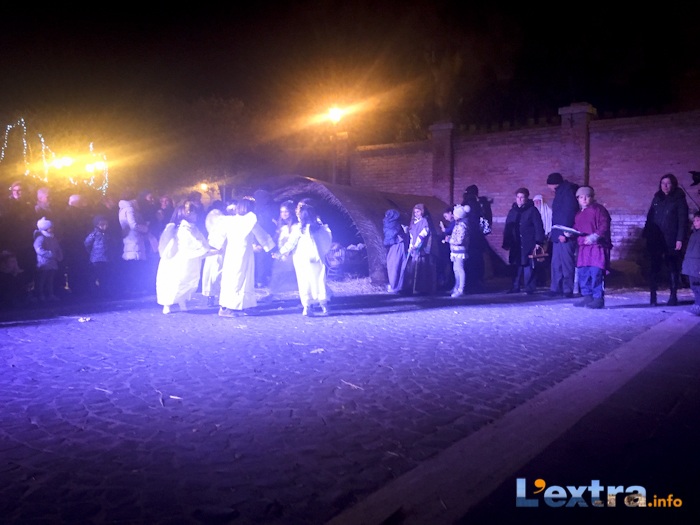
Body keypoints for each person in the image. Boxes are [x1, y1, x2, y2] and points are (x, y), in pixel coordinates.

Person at [210, 197, 275, 318]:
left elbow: (218, 236)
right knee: (235, 279)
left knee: (244, 279)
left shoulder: (236, 221)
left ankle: (245, 304)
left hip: (241, 253)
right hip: (239, 253)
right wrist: (270, 247)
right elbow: (261, 235)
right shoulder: (247, 220)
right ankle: (225, 307)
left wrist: (216, 245)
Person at [156, 202, 213, 314]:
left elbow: (200, 241)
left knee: (185, 280)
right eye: (193, 213)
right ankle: (167, 304)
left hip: (186, 258)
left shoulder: (192, 228)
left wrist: (208, 249)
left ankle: (182, 301)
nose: (196, 215)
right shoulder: (183, 229)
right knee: (175, 280)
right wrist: (208, 250)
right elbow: (193, 243)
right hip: (177, 258)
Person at [277, 202, 332, 316]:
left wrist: (280, 252)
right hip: (317, 258)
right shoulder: (319, 227)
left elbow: (290, 243)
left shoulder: (299, 228)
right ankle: (324, 306)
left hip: (302, 259)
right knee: (319, 280)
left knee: (304, 282)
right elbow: (327, 240)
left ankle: (307, 306)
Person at [643, 173, 690, 306]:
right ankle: (653, 297)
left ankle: (673, 295)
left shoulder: (679, 199)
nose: (665, 186)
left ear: (673, 184)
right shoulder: (657, 198)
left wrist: (680, 238)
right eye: (663, 183)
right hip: (656, 238)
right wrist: (646, 233)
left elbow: (683, 220)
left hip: (671, 238)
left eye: (668, 183)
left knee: (672, 266)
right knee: (654, 267)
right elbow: (650, 217)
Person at [570, 186, 612, 309]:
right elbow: (577, 228)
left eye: (587, 197)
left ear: (592, 197)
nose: (584, 199)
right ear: (578, 199)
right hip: (584, 247)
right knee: (583, 272)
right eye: (581, 197)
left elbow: (604, 225)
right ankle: (587, 296)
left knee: (596, 272)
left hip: (596, 247)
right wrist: (569, 233)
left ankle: (598, 298)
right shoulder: (579, 214)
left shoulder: (599, 210)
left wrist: (594, 236)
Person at [502, 188, 545, 295]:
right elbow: (508, 228)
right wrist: (506, 242)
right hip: (515, 243)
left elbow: (538, 226)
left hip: (528, 243)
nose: (520, 199)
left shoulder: (532, 211)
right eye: (518, 197)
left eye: (522, 197)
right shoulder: (513, 211)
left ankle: (529, 287)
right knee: (515, 265)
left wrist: (538, 241)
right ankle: (515, 286)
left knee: (528, 265)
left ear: (526, 198)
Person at [546, 172, 579, 297]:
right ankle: (555, 288)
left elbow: (568, 214)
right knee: (556, 263)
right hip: (557, 234)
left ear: (553, 184)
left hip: (564, 235)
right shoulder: (561, 192)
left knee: (566, 263)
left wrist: (563, 233)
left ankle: (567, 289)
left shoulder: (567, 193)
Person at [401, 203, 436, 295]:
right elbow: (412, 236)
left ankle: (421, 287)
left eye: (418, 211)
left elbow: (423, 234)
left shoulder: (424, 222)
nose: (416, 214)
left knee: (421, 267)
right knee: (412, 267)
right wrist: (410, 246)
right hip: (414, 248)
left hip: (421, 249)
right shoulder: (413, 223)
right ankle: (411, 286)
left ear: (422, 212)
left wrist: (416, 245)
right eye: (415, 212)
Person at [461, 185, 490, 291]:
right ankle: (478, 282)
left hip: (468, 238)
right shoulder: (480, 205)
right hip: (478, 238)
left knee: (469, 261)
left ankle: (469, 283)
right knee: (478, 260)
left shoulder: (466, 204)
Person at [268, 200, 299, 296]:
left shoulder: (296, 226)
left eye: (286, 211)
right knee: (277, 272)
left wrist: (287, 251)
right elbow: (276, 238)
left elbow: (293, 241)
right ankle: (273, 293)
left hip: (291, 253)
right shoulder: (281, 224)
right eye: (282, 212)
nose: (283, 214)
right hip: (281, 252)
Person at [84, 214, 118, 298]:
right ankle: (95, 293)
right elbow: (87, 243)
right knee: (96, 276)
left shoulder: (108, 234)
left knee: (105, 276)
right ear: (97, 225)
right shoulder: (94, 234)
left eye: (106, 224)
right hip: (96, 260)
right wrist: (92, 253)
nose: (105, 226)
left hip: (106, 259)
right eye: (102, 224)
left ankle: (104, 292)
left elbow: (113, 244)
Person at [201, 200, 226, 307]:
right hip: (217, 247)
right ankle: (214, 296)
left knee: (214, 273)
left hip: (216, 246)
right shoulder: (217, 216)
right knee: (215, 273)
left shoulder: (212, 216)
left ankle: (213, 296)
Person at [33, 217, 63, 301]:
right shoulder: (41, 238)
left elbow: (57, 248)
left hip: (52, 262)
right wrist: (49, 254)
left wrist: (59, 255)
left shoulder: (52, 238)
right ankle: (40, 294)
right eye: (50, 227)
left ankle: (50, 294)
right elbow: (38, 249)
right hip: (44, 263)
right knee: (42, 280)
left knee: (50, 280)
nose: (52, 228)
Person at [382, 208, 407, 293]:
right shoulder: (394, 224)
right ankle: (397, 286)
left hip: (395, 245)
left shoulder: (388, 223)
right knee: (396, 266)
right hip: (397, 245)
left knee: (395, 265)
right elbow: (393, 234)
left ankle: (397, 286)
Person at [448, 204, 470, 298]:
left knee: (459, 269)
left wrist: (450, 240)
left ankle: (460, 289)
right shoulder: (458, 225)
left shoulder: (462, 226)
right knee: (456, 269)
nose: (454, 216)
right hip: (455, 250)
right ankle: (456, 286)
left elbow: (460, 240)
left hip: (459, 250)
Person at [681, 210, 700, 316]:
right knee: (693, 286)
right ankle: (697, 304)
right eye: (694, 221)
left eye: (698, 220)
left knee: (698, 287)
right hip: (691, 265)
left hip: (697, 266)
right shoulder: (693, 234)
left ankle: (699, 305)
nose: (695, 223)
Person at [533, 193, 553, 287]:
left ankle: (546, 280)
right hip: (536, 239)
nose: (537, 203)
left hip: (546, 239)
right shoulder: (532, 212)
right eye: (535, 202)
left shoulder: (548, 211)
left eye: (539, 201)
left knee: (545, 259)